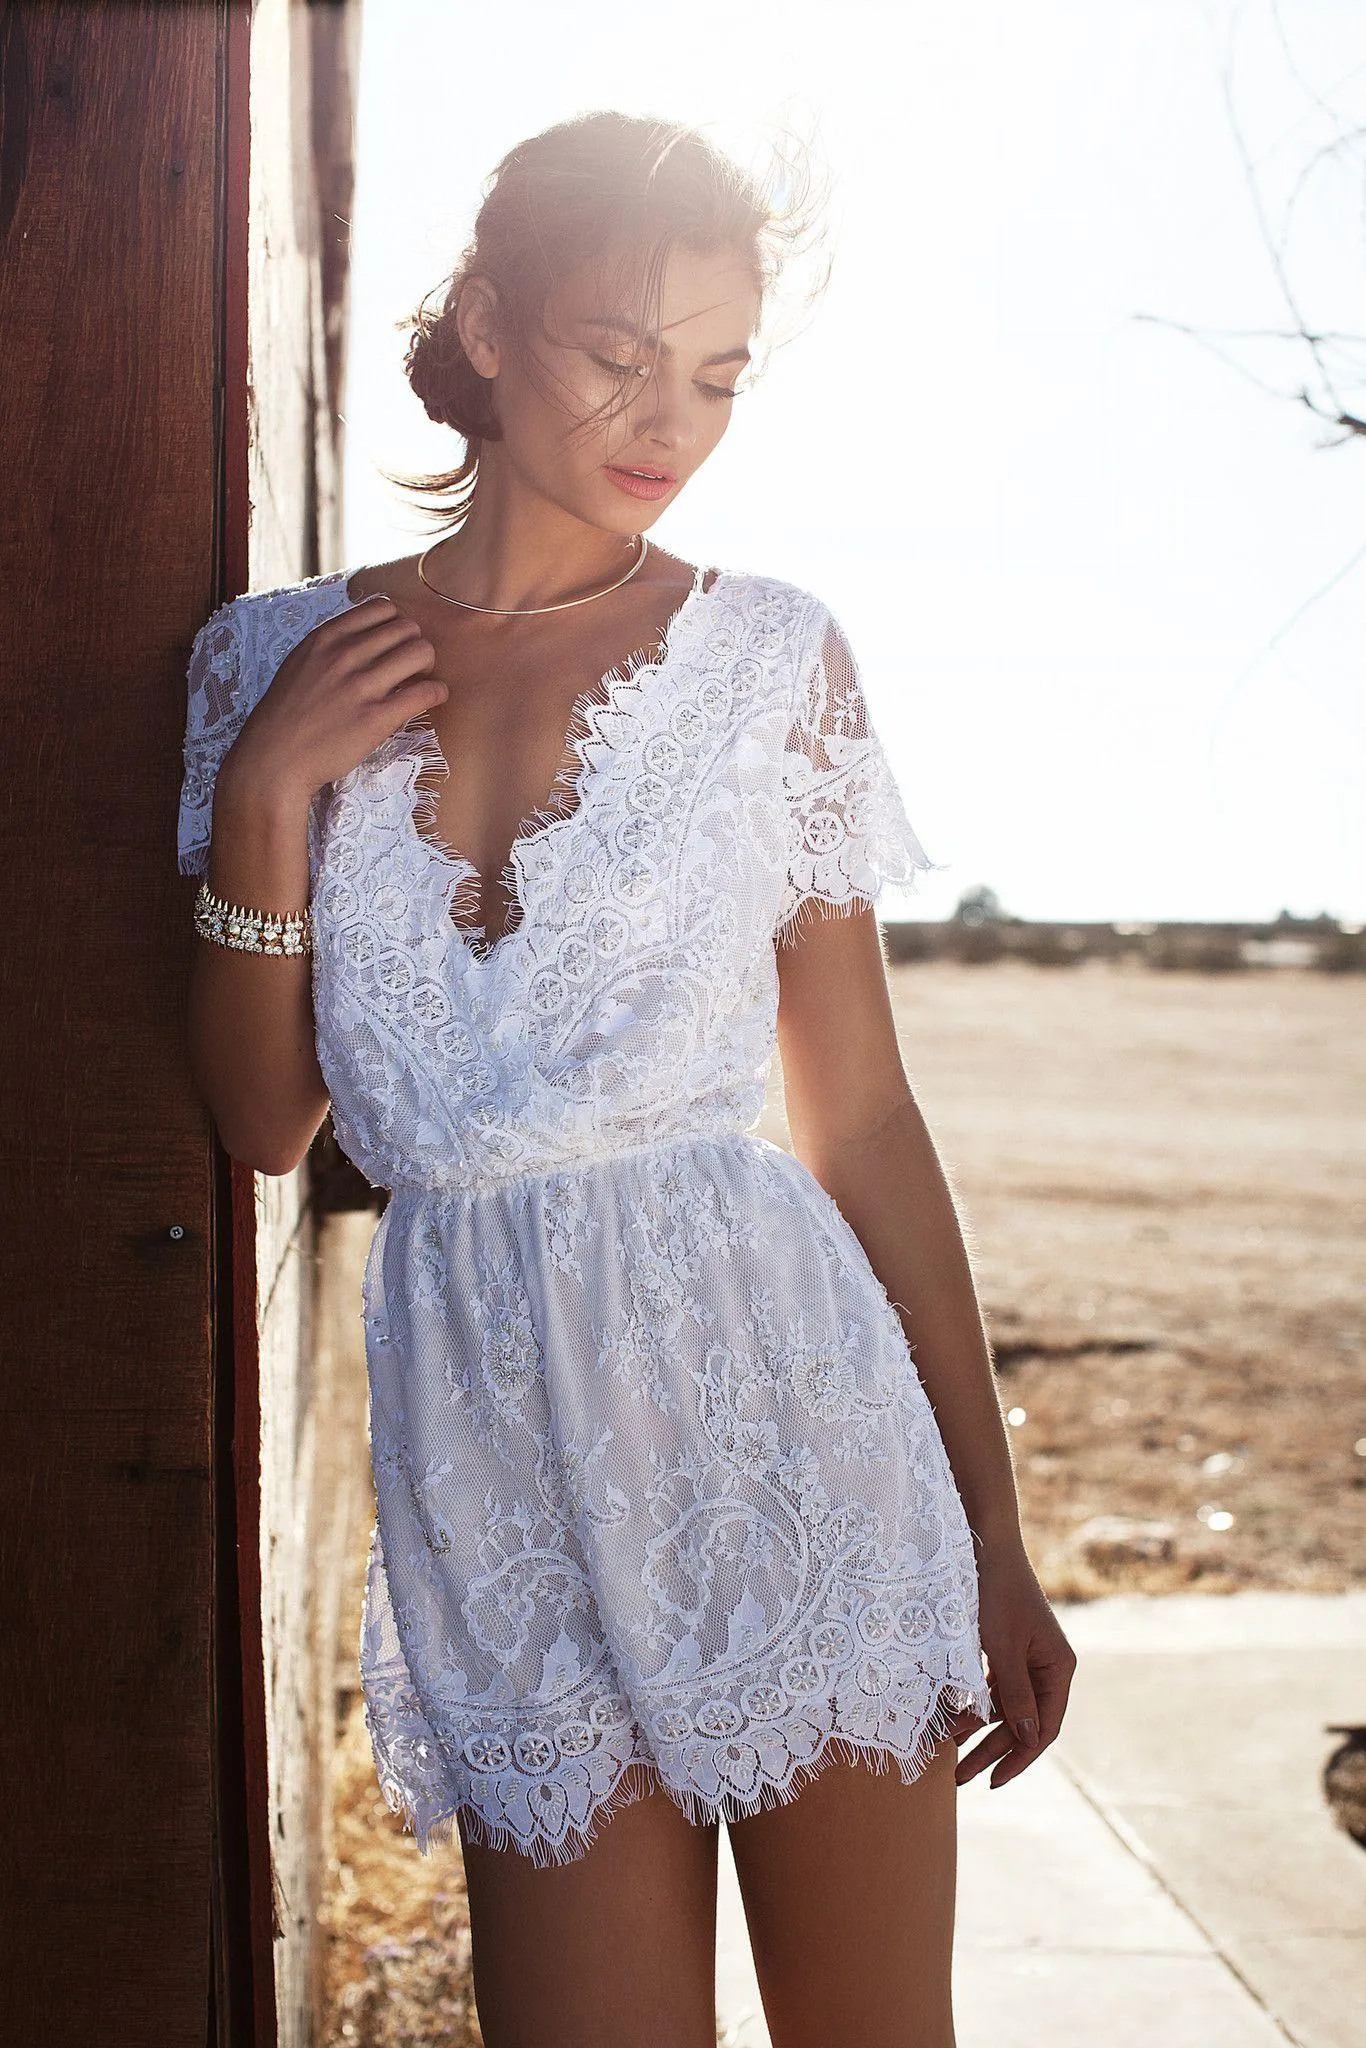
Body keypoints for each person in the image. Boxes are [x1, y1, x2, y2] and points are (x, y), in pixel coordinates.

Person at [179, 110, 1076, 2048]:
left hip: (782, 1426)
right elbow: (264, 1123)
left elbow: (857, 1118)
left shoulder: (768, 659)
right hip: (492, 1462)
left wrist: (989, 1532)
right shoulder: (270, 664)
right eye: (616, 349)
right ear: (489, 325)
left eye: (717, 370)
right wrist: (266, 798)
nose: (667, 414)